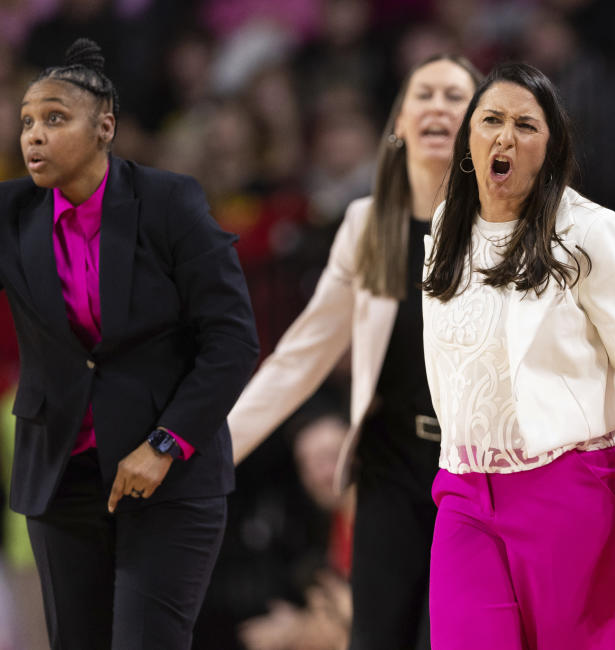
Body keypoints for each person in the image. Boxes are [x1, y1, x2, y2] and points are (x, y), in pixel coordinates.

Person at [421, 62, 615, 650]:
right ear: (469, 136)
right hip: (465, 488)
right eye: (491, 120)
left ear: (551, 147)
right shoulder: (446, 226)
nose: (506, 137)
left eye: (526, 125)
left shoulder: (592, 232)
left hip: (572, 488)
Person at [1, 38, 259, 649]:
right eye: (27, 122)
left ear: (105, 127)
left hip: (168, 478)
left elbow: (232, 341)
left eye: (55, 119)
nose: (34, 135)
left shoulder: (168, 202)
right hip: (62, 478)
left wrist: (166, 443)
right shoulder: (10, 215)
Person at [228, 54, 481, 650]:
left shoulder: (506, 228)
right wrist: (216, 450)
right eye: (425, 94)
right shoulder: (366, 225)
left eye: (456, 96)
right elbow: (301, 356)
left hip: (477, 469)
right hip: (390, 466)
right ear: (398, 122)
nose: (439, 107)